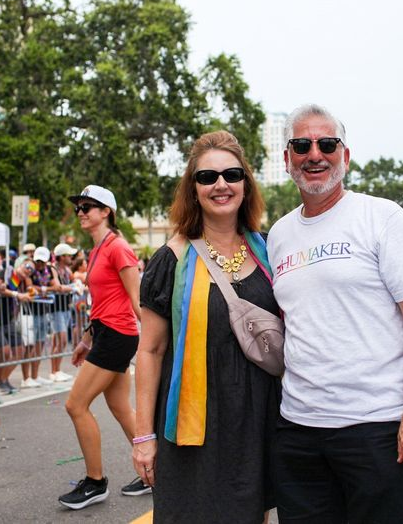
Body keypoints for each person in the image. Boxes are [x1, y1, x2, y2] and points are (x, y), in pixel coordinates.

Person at [266, 105, 403, 523]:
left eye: (327, 144)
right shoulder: (278, 235)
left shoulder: (381, 217)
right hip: (298, 429)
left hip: (374, 429)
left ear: (345, 156)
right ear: (287, 158)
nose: (315, 154)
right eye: (301, 145)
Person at [132, 131, 280, 523]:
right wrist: (143, 437)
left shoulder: (268, 251)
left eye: (231, 174)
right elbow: (150, 351)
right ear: (192, 188)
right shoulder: (172, 258)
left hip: (258, 420)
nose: (220, 185)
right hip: (193, 425)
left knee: (252, 514)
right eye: (207, 177)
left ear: (245, 184)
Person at [58, 185, 148, 509]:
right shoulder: (96, 249)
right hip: (106, 332)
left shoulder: (118, 247)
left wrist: (155, 343)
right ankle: (156, 471)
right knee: (121, 408)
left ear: (106, 211)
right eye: (79, 206)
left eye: (88, 207)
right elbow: (103, 302)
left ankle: (95, 482)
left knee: (75, 405)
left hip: (118, 336)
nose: (81, 212)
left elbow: (137, 299)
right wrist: (86, 338)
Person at [0, 256, 34, 394]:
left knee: (20, 350)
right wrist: (16, 294)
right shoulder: (6, 273)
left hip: (9, 320)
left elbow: (28, 290)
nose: (29, 270)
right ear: (19, 264)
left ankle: (4, 380)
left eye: (31, 269)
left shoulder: (21, 281)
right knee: (5, 351)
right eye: (27, 266)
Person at [19, 246, 56, 388]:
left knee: (39, 346)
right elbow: (30, 287)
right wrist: (45, 289)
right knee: (29, 346)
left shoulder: (48, 271)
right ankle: (26, 378)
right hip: (29, 312)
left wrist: (43, 289)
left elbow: (56, 286)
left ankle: (35, 376)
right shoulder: (30, 269)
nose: (39, 264)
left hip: (42, 311)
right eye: (38, 261)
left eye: (42, 261)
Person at [50, 243, 78, 383]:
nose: (70, 257)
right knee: (61, 339)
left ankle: (56, 370)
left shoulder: (66, 269)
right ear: (61, 257)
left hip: (65, 306)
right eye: (68, 255)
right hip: (56, 308)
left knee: (58, 340)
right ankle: (54, 370)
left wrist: (75, 285)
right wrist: (72, 287)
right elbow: (58, 286)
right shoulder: (53, 268)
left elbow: (75, 281)